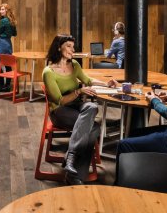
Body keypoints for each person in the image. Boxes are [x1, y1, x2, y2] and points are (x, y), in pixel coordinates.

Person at [43, 34, 118, 185]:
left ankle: (70, 157)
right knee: (94, 128)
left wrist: (106, 84)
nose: (73, 50)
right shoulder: (48, 72)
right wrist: (79, 91)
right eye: (68, 46)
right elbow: (60, 101)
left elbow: (88, 80)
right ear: (59, 47)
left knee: (92, 106)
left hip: (77, 107)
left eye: (73, 46)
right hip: (60, 111)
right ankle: (75, 176)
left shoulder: (75, 65)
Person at [0, 3, 17, 92]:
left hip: (2, 44)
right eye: (0, 9)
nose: (0, 11)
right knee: (8, 65)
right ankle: (7, 86)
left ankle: (2, 85)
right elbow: (15, 34)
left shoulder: (3, 21)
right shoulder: (12, 21)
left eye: (2, 9)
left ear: (7, 10)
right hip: (8, 44)